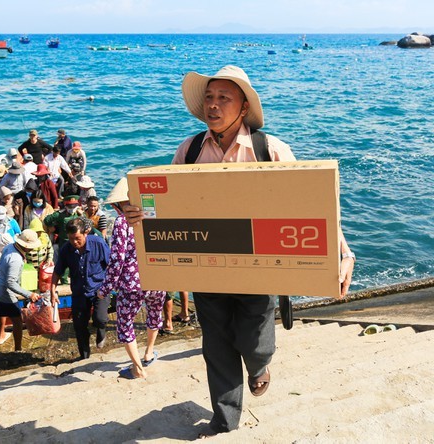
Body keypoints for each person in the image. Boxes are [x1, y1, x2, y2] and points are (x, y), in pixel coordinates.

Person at [123, 65, 355, 437]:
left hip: (258, 264)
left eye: (223, 99)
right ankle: (225, 416)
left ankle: (260, 364)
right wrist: (137, 211)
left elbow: (314, 205)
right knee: (215, 344)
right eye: (209, 98)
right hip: (206, 263)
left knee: (252, 334)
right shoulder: (191, 148)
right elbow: (161, 204)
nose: (212, 106)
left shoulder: (270, 149)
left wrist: (344, 254)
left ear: (243, 108)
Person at [98, 178, 166, 379]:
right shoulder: (154, 216)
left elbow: (117, 259)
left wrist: (106, 287)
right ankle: (148, 353)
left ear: (120, 204)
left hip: (132, 283)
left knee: (125, 323)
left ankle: (137, 368)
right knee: (155, 314)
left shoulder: (121, 222)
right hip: (157, 278)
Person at [50, 218, 110, 360]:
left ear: (86, 233)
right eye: (71, 239)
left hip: (99, 288)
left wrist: (113, 285)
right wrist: (52, 290)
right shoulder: (66, 249)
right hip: (79, 291)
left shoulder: (99, 243)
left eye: (77, 238)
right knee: (79, 326)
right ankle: (84, 356)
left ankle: (101, 330)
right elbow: (58, 271)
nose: (74, 242)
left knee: (100, 318)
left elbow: (112, 265)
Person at [0, 230, 41, 350]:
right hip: (4, 292)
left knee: (2, 311)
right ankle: (18, 349)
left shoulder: (10, 246)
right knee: (17, 320)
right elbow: (10, 283)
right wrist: (29, 294)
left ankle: (1, 335)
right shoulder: (16, 259)